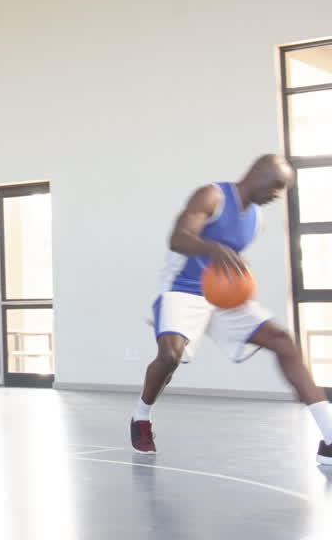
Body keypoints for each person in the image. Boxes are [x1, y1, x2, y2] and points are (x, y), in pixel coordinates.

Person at [131, 154, 332, 465]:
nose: (278, 195)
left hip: (222, 298)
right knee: (169, 356)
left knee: (283, 342)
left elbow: (227, 263)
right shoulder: (212, 195)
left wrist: (239, 270)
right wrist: (212, 247)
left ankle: (330, 438)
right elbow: (177, 239)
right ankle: (141, 417)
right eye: (277, 186)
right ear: (258, 174)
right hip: (182, 289)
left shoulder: (256, 221)